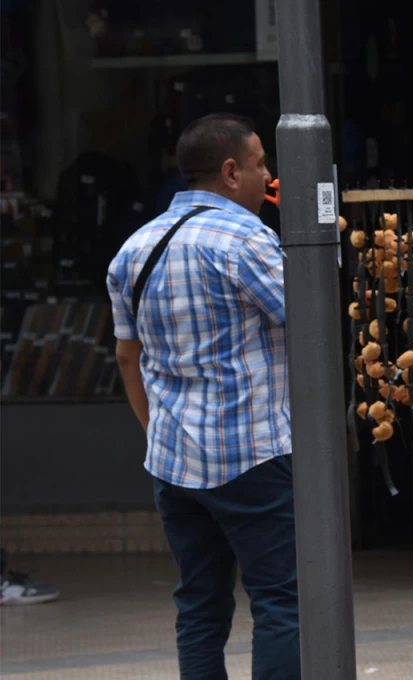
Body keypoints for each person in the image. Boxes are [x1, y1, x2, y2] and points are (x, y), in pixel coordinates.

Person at [107, 114, 298, 680]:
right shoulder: (246, 239)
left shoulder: (133, 249)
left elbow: (127, 357)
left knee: (199, 606)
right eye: (261, 164)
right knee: (282, 603)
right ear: (231, 171)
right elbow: (312, 320)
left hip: (173, 462)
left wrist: (157, 433)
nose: (269, 177)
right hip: (254, 455)